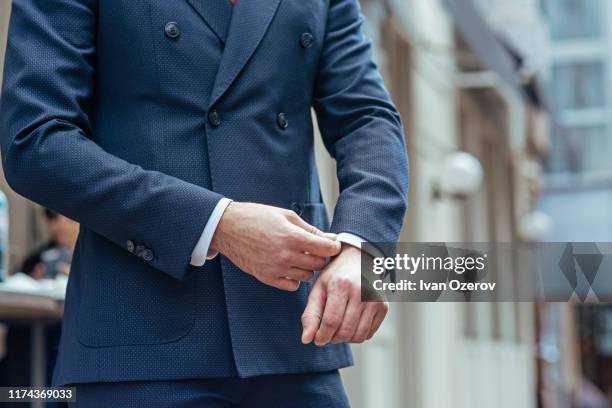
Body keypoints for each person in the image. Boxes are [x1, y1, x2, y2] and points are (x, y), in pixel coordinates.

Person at [0, 0, 409, 406]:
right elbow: (36, 141)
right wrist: (218, 224)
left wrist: (362, 245)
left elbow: (367, 119)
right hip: (140, 348)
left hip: (292, 338)